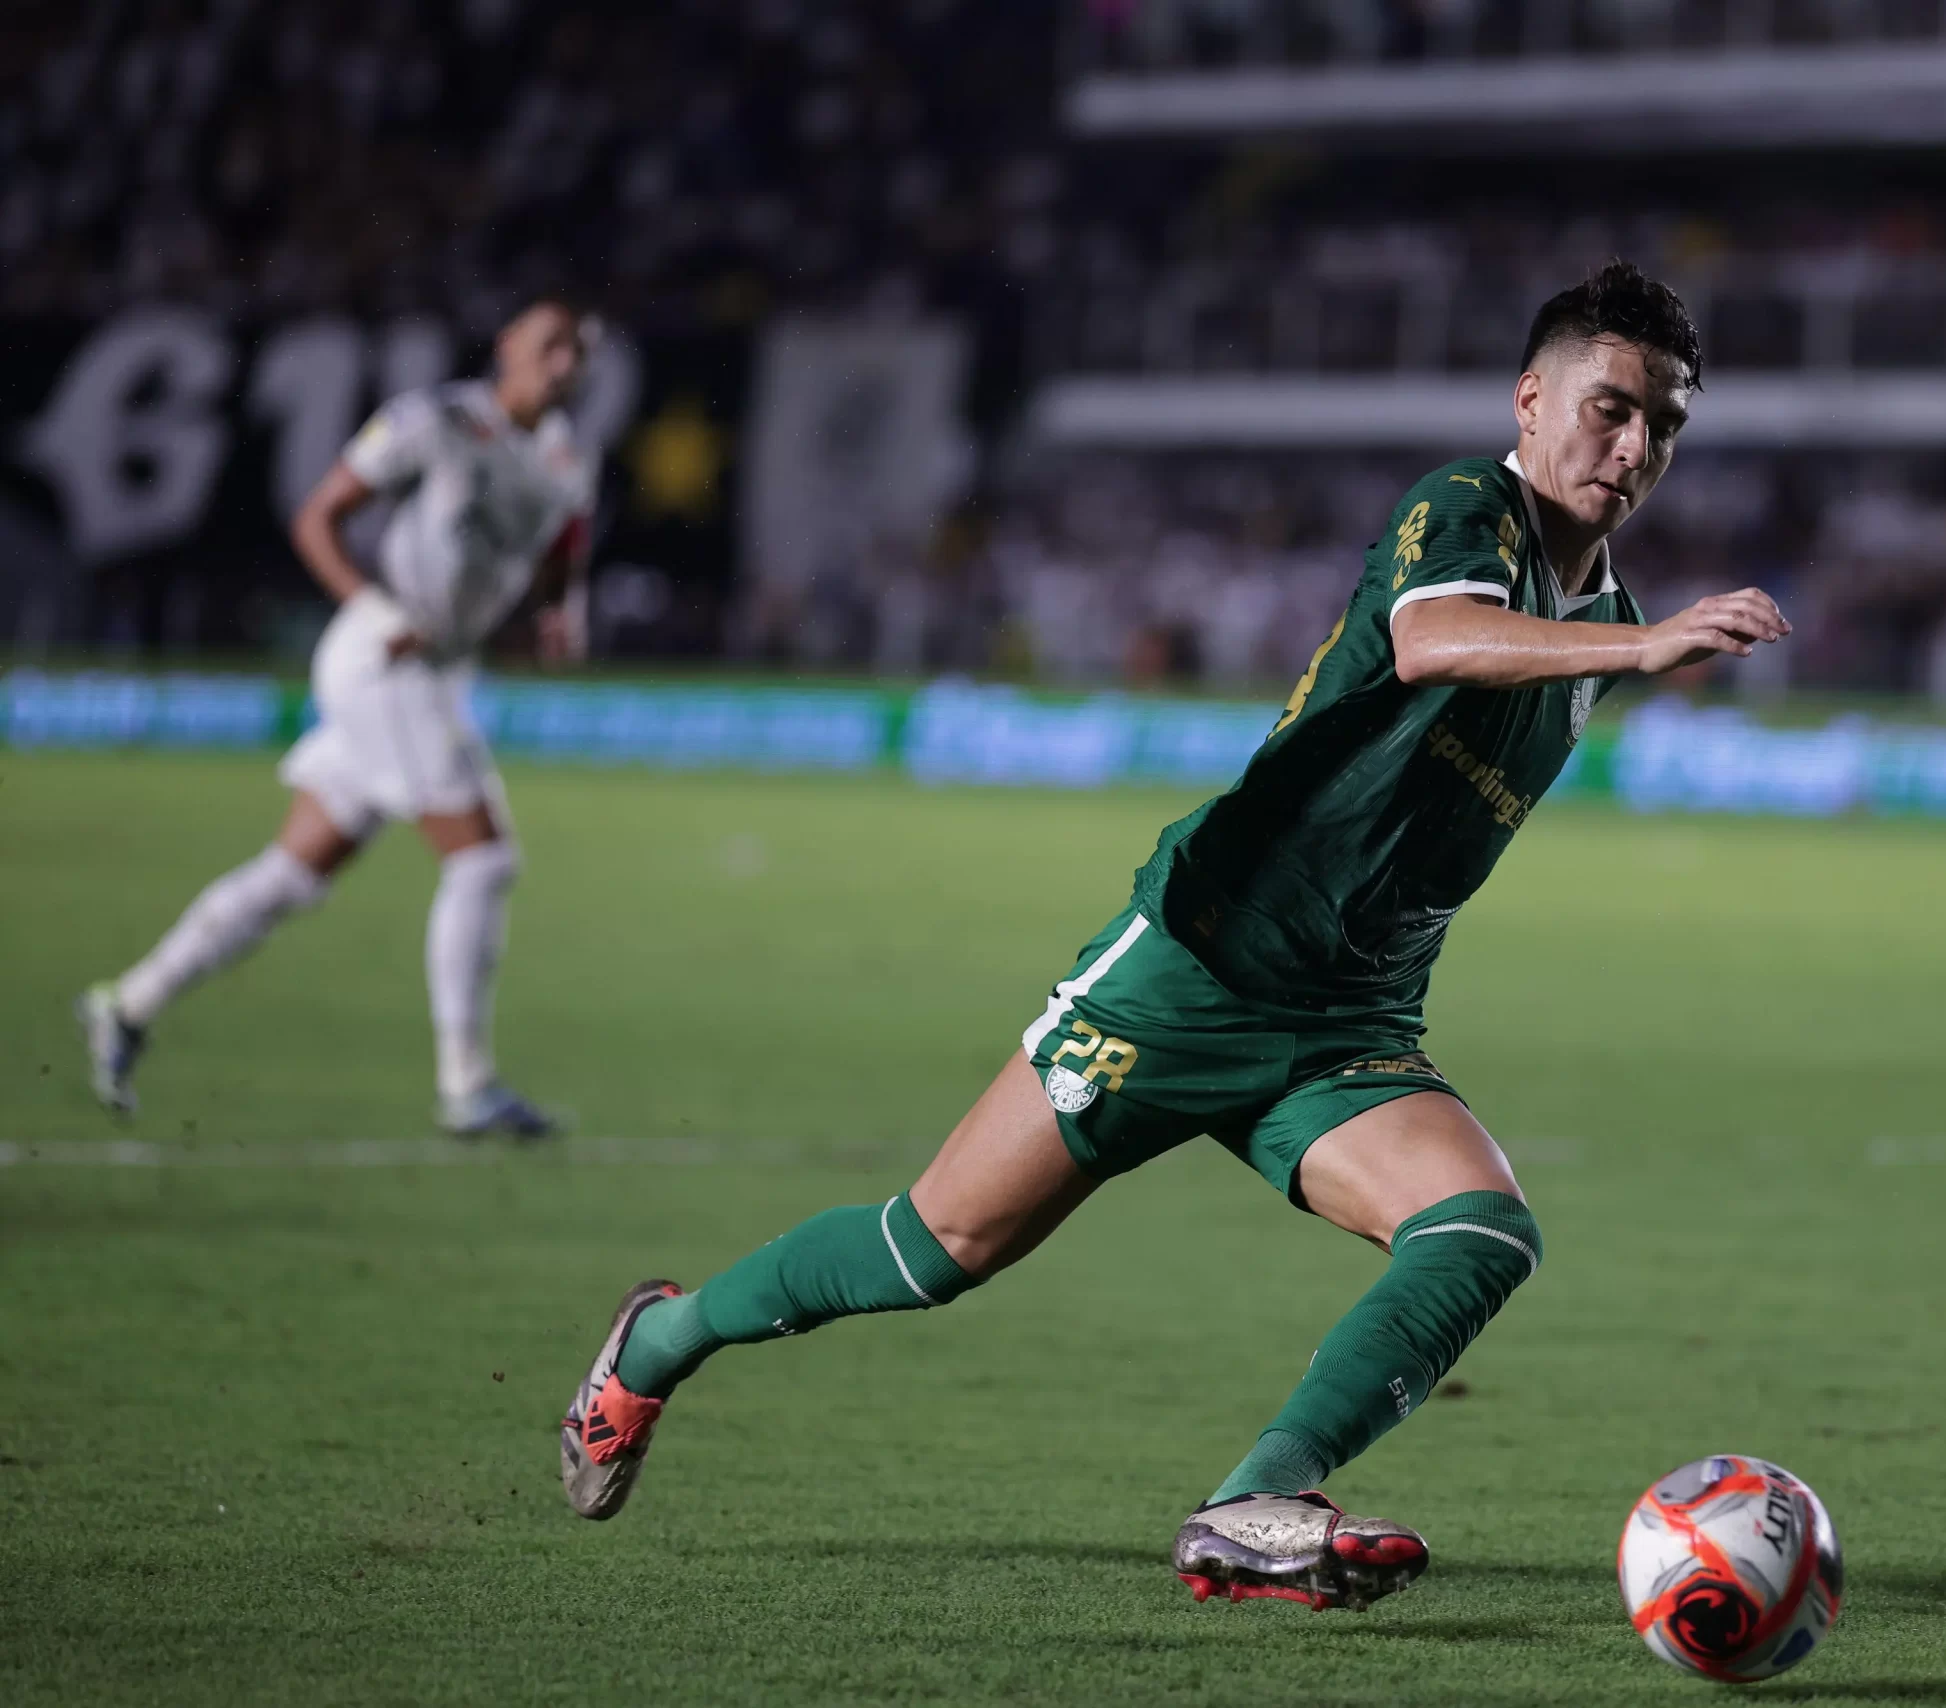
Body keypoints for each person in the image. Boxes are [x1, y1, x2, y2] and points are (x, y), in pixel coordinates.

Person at [556, 262, 1791, 1610]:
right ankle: (657, 1343)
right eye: (1609, 408)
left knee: (1482, 1232)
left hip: (1344, 1021)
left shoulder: (1606, 615)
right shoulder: (1467, 511)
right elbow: (1435, 641)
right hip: (1196, 967)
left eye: (1663, 425)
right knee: (935, 1249)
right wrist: (1643, 648)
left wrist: (1629, 641)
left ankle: (1258, 1499)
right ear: (1532, 395)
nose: (1633, 447)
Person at [80, 299, 599, 1135]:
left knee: (295, 872)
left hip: (437, 671)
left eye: (577, 350)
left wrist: (558, 616)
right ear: (507, 344)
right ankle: (465, 1082)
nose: (564, 363)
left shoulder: (568, 459)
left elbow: (559, 559)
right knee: (484, 861)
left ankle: (129, 1003)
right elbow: (318, 517)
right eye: (550, 344)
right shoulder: (433, 421)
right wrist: (376, 610)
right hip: (385, 662)